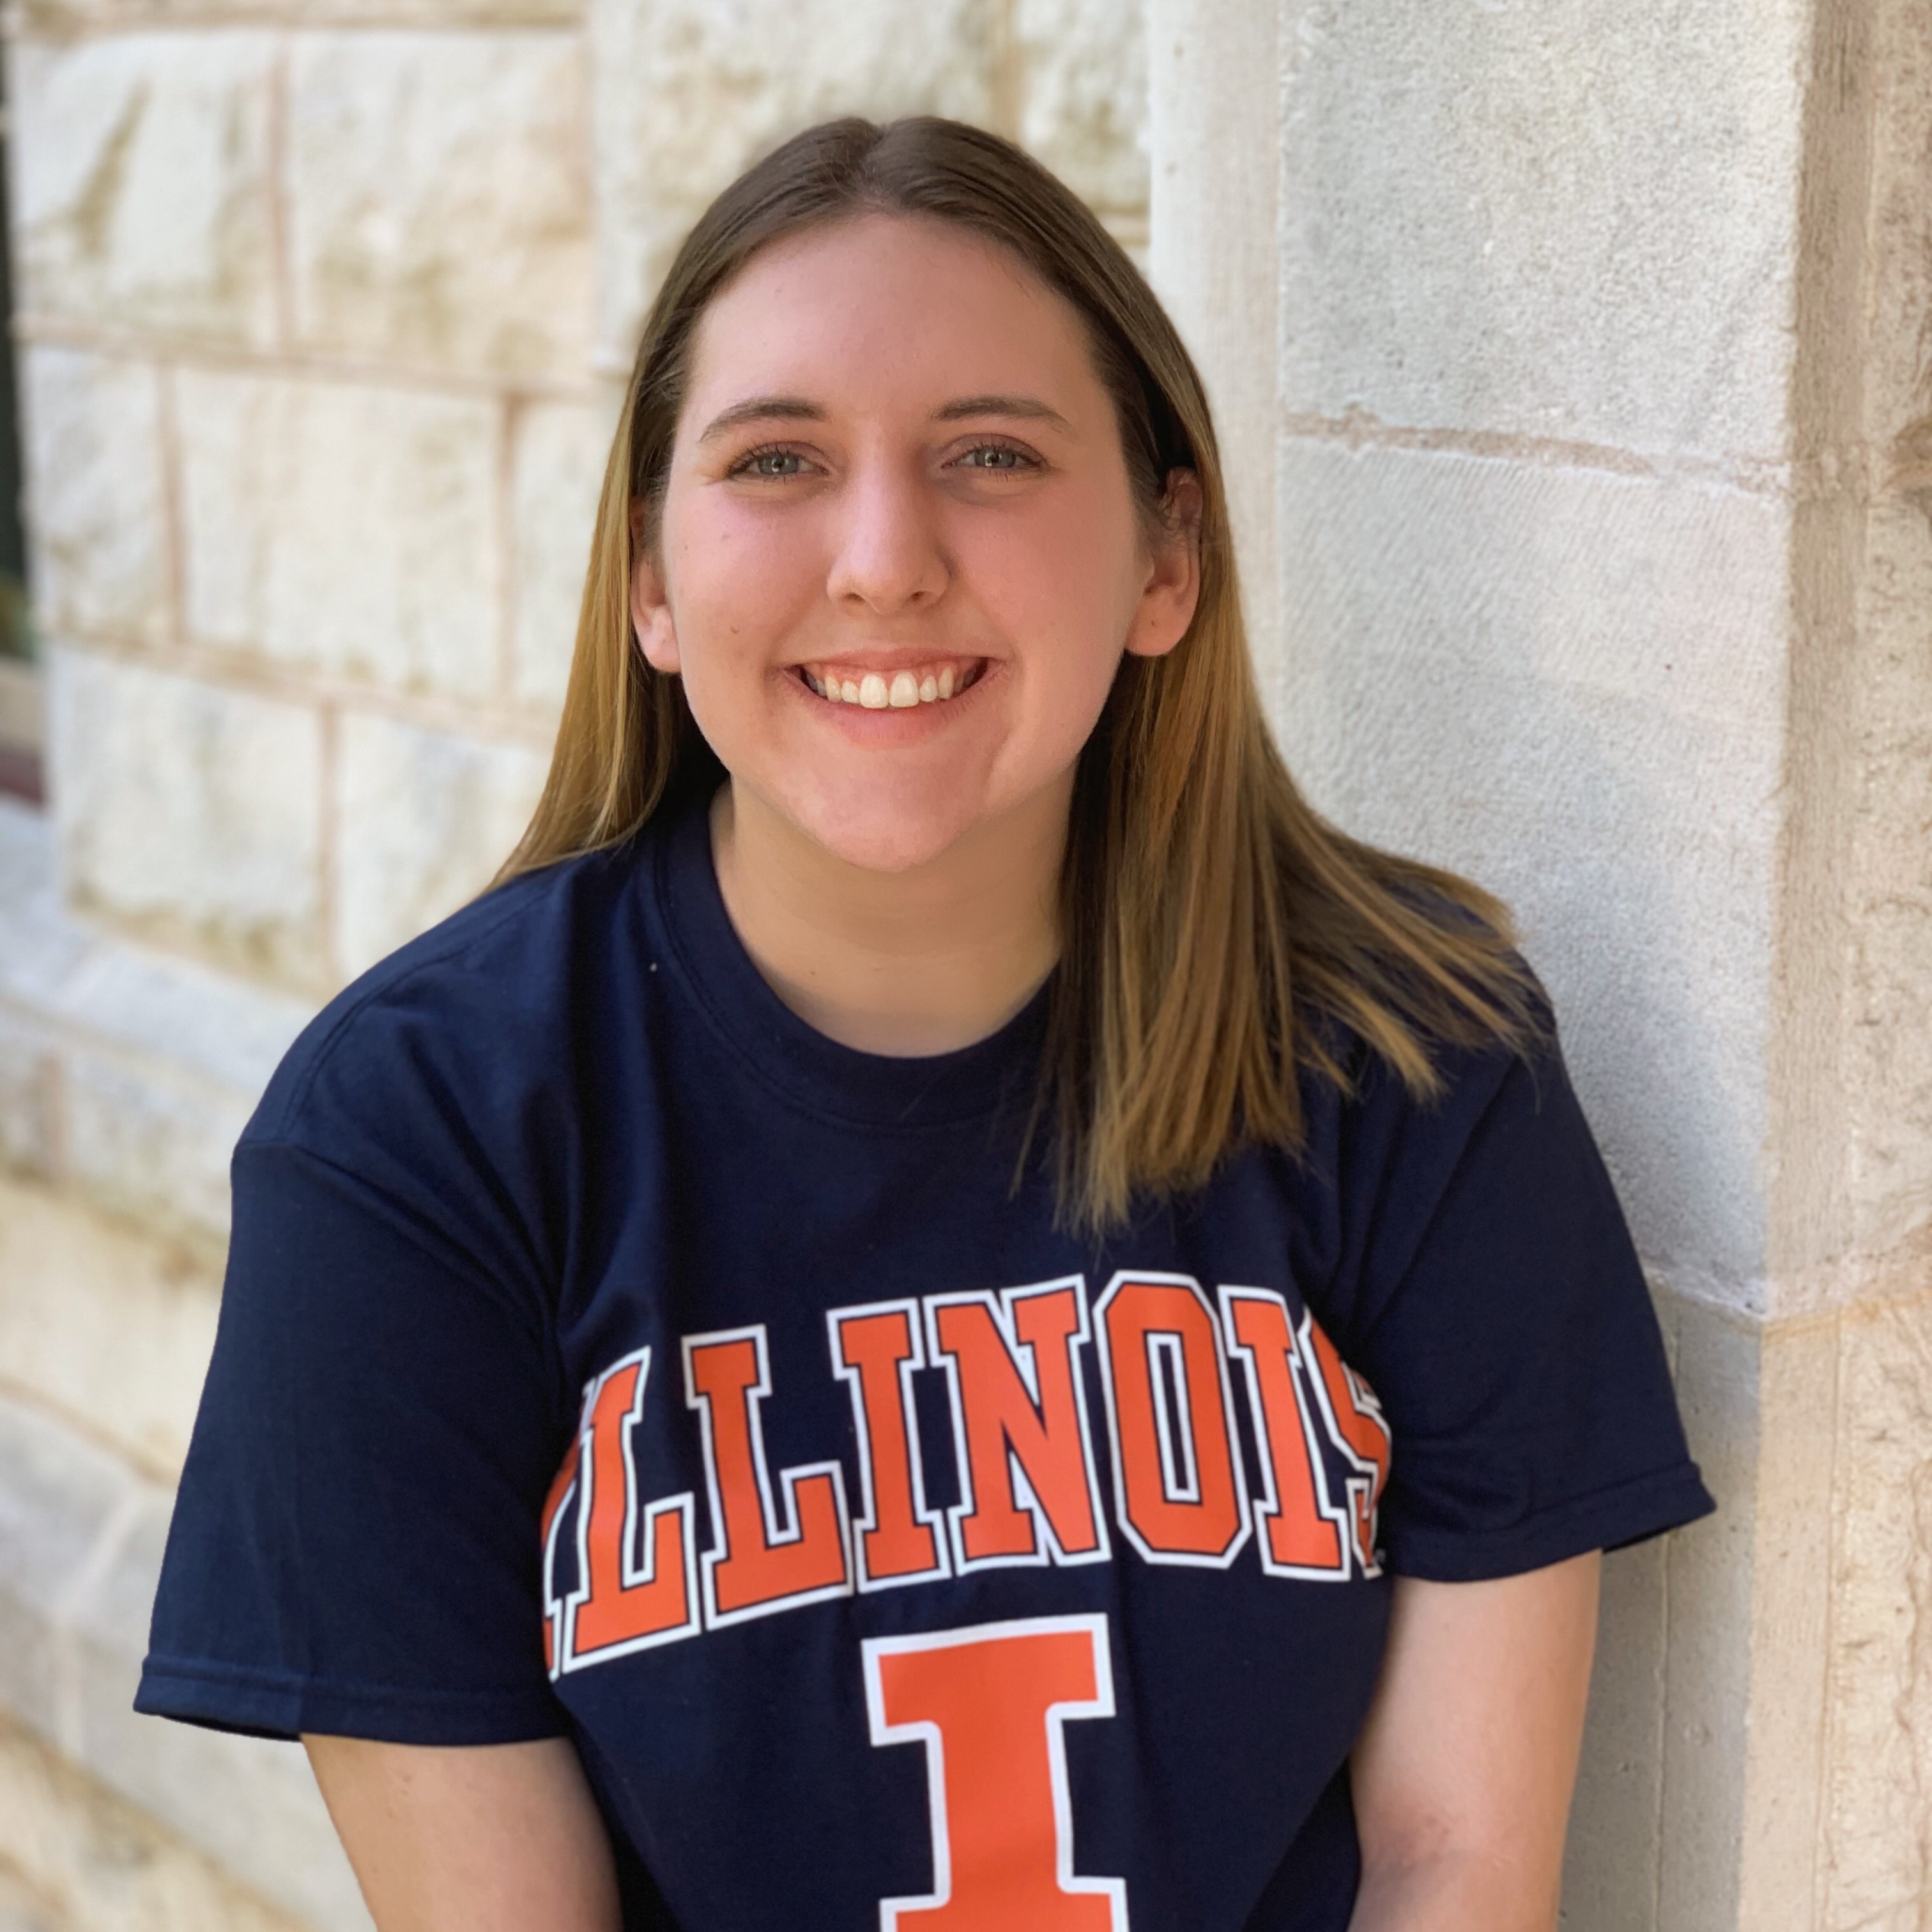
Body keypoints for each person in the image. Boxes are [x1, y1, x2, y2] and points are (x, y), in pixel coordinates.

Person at [136, 117, 1713, 1932]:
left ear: (1163, 559)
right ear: (650, 578)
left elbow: (1458, 1863)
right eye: (778, 459)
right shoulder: (417, 1138)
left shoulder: (1419, 1062)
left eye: (989, 453)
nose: (883, 559)